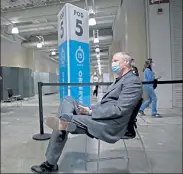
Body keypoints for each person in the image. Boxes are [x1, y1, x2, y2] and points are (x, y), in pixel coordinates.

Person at [31, 52, 143, 173]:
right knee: (68, 100)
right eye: (112, 61)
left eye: (115, 61)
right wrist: (91, 109)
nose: (112, 64)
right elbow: (107, 105)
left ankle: (50, 164)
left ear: (126, 62)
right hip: (102, 115)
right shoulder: (121, 80)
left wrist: (90, 112)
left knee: (64, 120)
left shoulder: (132, 82)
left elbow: (119, 110)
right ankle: (65, 123)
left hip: (110, 124)